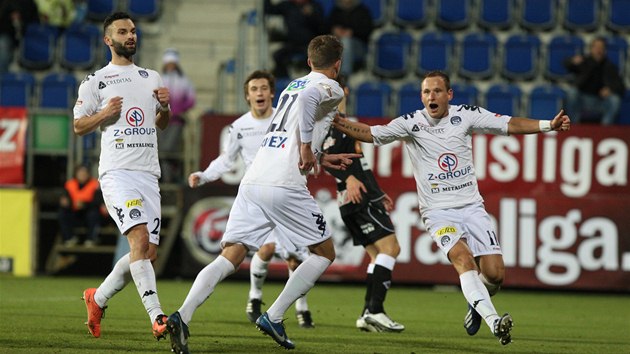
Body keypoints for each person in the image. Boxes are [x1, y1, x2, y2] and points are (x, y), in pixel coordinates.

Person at [332, 70, 571, 345]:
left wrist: (547, 125)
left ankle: (476, 302)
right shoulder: (412, 122)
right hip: (438, 212)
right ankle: (496, 323)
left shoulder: (466, 115)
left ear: (449, 95)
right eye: (425, 92)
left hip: (471, 207)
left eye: (436, 91)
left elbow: (508, 124)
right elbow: (372, 134)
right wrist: (338, 122)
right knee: (463, 259)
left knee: (494, 274)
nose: (430, 97)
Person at [166, 35, 359, 353]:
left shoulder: (292, 85)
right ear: (337, 64)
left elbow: (298, 117)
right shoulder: (332, 88)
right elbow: (311, 101)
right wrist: (310, 148)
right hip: (284, 183)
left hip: (253, 180)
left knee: (231, 254)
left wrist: (320, 155)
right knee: (324, 252)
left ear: (309, 61)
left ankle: (183, 316)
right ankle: (275, 315)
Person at [187, 70, 315, 328]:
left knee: (296, 258)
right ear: (247, 96)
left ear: (272, 93)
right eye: (254, 89)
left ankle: (301, 307)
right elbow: (227, 159)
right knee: (265, 249)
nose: (259, 93)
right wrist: (204, 175)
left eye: (264, 88)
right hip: (258, 196)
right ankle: (255, 297)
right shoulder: (240, 127)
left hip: (286, 192)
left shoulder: (285, 118)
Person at [73, 11, 171, 340]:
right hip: (117, 173)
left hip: (148, 173)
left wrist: (166, 109)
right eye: (123, 31)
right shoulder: (95, 80)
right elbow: (78, 125)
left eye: (133, 30)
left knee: (146, 253)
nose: (131, 36)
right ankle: (158, 318)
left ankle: (97, 299)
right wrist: (104, 113)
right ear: (108, 39)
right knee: (139, 240)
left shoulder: (151, 77)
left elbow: (161, 123)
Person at [322, 74, 403, 332]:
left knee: (376, 255)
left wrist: (378, 193)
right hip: (356, 197)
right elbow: (325, 159)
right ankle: (376, 310)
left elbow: (360, 164)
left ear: (344, 91)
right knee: (391, 248)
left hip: (358, 197)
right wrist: (349, 179)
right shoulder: (327, 124)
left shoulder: (348, 124)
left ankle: (366, 313)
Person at [563, 37, 625, 125]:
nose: (598, 50)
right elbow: (566, 64)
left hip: (600, 101)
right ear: (591, 49)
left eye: (601, 48)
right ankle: (574, 127)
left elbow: (621, 86)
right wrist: (571, 61)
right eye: (596, 47)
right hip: (582, 99)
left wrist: (610, 89)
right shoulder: (583, 61)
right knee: (571, 92)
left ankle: (605, 130)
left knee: (615, 100)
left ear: (605, 50)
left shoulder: (610, 66)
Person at [159, 48, 196, 183]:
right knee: (161, 150)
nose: (171, 66)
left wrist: (178, 110)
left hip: (176, 122)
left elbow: (191, 100)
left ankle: (170, 178)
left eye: (173, 63)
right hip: (161, 120)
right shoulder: (159, 79)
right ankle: (163, 177)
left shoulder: (184, 81)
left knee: (170, 149)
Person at [264, 0, 324, 78]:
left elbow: (322, 27)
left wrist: (312, 15)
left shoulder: (314, 6)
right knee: (278, 56)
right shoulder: (287, 6)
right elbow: (269, 10)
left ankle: (312, 80)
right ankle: (284, 82)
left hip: (310, 45)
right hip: (292, 43)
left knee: (314, 59)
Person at [58, 164, 104, 247]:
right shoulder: (70, 184)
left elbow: (98, 201)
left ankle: (91, 239)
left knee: (94, 213)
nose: (82, 175)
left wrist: (85, 204)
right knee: (62, 213)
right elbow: (65, 198)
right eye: (80, 172)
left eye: (84, 172)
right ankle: (69, 238)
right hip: (74, 212)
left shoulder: (94, 184)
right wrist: (66, 202)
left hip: (88, 212)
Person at [326, 0, 373, 76]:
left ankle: (345, 75)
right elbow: (325, 27)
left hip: (358, 46)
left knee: (346, 41)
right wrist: (334, 30)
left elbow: (368, 30)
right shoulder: (336, 10)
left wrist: (352, 32)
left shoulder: (362, 10)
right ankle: (327, 74)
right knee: (328, 43)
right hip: (338, 43)